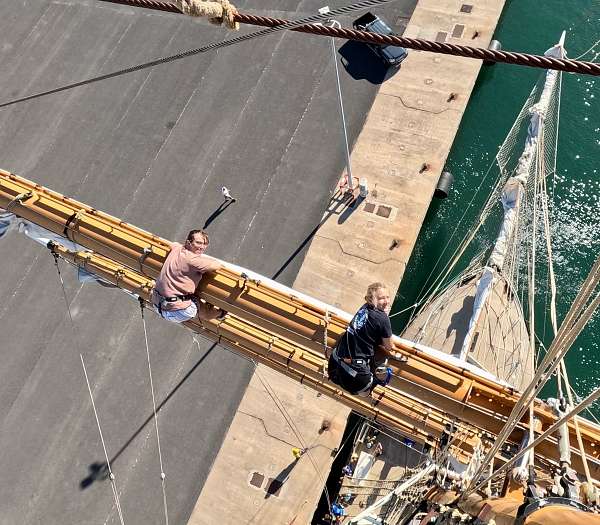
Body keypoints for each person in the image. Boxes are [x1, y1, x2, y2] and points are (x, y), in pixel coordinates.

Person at [328, 282, 404, 396]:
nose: (386, 301)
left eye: (387, 297)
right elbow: (389, 346)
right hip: (358, 376)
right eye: (381, 298)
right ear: (371, 299)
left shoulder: (364, 308)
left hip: (334, 363)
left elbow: (368, 328)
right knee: (366, 390)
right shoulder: (383, 318)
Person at [152, 229, 225, 323]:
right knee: (204, 311)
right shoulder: (192, 259)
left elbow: (173, 244)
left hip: (158, 305)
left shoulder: (176, 248)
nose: (202, 247)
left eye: (205, 244)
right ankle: (221, 313)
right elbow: (216, 265)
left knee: (189, 298)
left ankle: (214, 309)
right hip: (177, 312)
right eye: (198, 243)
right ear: (188, 242)